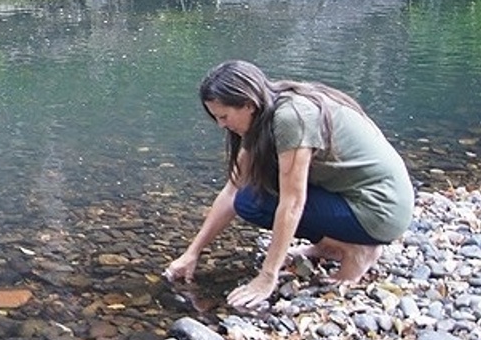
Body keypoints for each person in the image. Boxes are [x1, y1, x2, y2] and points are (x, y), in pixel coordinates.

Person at [164, 60, 415, 308]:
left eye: (223, 116)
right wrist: (192, 253)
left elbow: (293, 203)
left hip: (380, 210)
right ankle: (330, 245)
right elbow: (232, 189)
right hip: (363, 198)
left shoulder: (290, 118)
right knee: (247, 197)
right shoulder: (266, 109)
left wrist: (267, 276)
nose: (221, 125)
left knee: (255, 201)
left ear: (248, 104)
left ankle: (358, 250)